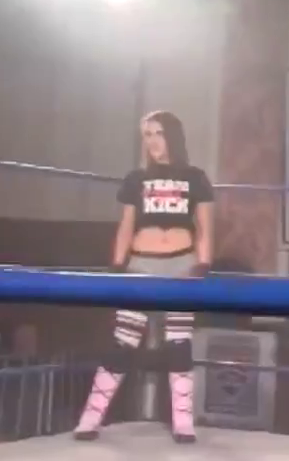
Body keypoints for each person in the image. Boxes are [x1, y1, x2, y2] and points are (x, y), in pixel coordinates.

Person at [73, 110, 214, 444]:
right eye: (147, 134)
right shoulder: (135, 178)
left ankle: (183, 422)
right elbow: (126, 226)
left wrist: (203, 264)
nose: (152, 141)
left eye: (158, 133)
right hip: (141, 263)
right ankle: (90, 419)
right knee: (124, 340)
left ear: (172, 136)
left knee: (178, 341)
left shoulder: (195, 177)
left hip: (181, 263)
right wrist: (117, 266)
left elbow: (205, 227)